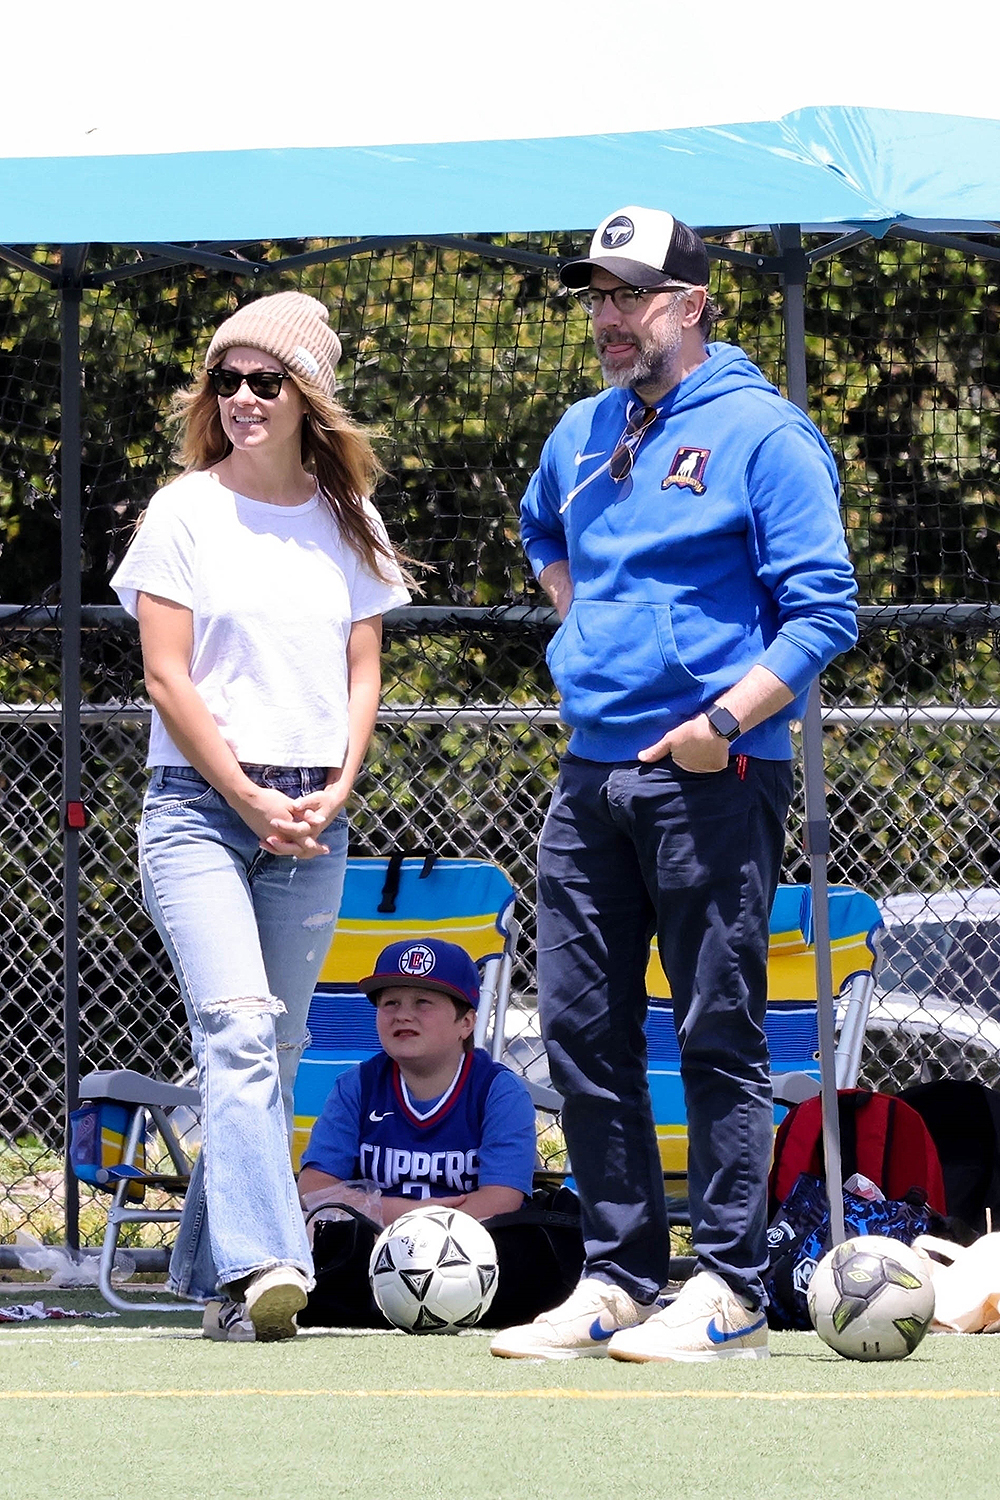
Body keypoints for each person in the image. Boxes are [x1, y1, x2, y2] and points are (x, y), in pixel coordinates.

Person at [490, 206, 858, 1363]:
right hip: (585, 776)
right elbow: (536, 524)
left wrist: (716, 726)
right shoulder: (580, 431)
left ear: (691, 306)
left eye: (630, 296)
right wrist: (583, 623)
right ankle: (617, 1279)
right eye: (595, 297)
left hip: (709, 779)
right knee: (580, 1032)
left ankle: (734, 1287)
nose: (607, 318)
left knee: (715, 1032)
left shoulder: (766, 434)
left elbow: (824, 611)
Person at [111, 291, 411, 1342]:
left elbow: (362, 672)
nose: (240, 398)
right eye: (224, 380)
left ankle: (221, 1282)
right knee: (238, 1032)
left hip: (311, 806)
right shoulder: (183, 511)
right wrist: (243, 792)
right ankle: (270, 1260)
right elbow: (164, 677)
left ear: (306, 397)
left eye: (263, 381)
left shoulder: (349, 521)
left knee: (270, 1061)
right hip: (199, 808)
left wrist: (338, 785)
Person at [294, 938, 540, 1330]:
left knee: (524, 1253)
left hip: (468, 1251)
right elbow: (315, 1189)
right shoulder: (357, 1086)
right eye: (390, 1003)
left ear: (466, 1022)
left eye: (423, 1003)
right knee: (315, 1239)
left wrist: (371, 1206)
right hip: (374, 1249)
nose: (402, 1016)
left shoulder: (498, 1090)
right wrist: (418, 1218)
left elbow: (501, 1200)